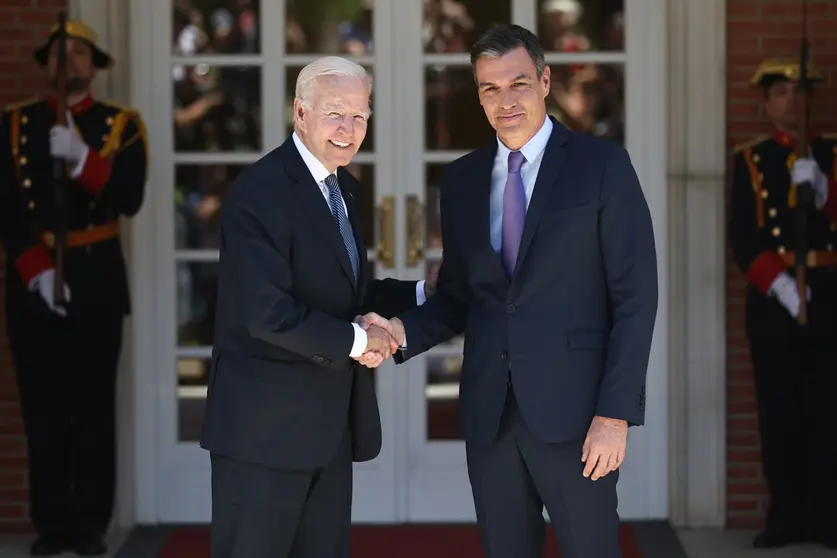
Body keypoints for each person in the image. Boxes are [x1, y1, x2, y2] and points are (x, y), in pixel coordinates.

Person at [359, 24, 657, 558]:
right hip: (490, 414)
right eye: (489, 89)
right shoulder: (462, 180)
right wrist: (402, 332)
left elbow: (636, 299)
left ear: (545, 80)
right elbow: (459, 297)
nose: (505, 101)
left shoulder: (602, 167)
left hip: (578, 416)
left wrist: (615, 414)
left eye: (517, 83)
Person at [199, 56, 437, 558]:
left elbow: (346, 294)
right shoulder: (259, 194)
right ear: (300, 113)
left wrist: (423, 293)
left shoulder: (342, 186)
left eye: (360, 116)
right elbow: (267, 313)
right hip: (263, 437)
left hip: (327, 434)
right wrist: (359, 340)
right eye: (335, 113)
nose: (349, 130)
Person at [0, 19, 148, 557]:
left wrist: (84, 161)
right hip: (32, 278)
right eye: (60, 52)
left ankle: (89, 523)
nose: (70, 61)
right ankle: (51, 523)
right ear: (46, 63)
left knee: (91, 406)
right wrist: (35, 268)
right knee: (42, 405)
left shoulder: (120, 125)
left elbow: (129, 197)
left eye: (81, 52)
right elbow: (5, 203)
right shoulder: (14, 124)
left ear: (95, 65)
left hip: (96, 274)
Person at [728, 57, 837, 550]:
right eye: (781, 93)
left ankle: (826, 514)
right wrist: (785, 288)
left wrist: (826, 190)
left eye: (800, 92)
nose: (792, 101)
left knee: (830, 413)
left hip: (831, 293)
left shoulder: (832, 153)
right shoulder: (751, 159)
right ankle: (787, 516)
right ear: (766, 103)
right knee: (780, 412)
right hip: (777, 302)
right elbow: (745, 239)